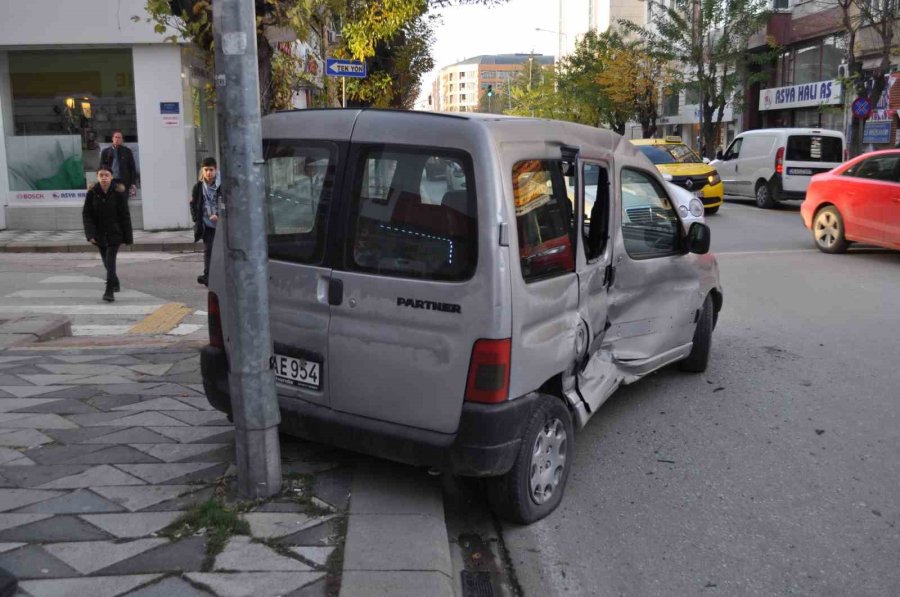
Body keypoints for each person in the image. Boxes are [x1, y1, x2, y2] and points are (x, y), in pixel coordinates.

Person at [82, 166, 133, 302]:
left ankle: (109, 290)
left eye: (106, 175)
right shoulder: (92, 193)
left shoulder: (118, 193)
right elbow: (87, 215)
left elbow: (125, 216)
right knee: (106, 262)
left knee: (110, 261)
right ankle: (115, 281)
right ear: (97, 177)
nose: (104, 178)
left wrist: (128, 237)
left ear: (111, 177)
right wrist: (90, 234)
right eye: (101, 175)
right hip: (99, 234)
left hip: (115, 233)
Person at [190, 157, 221, 286]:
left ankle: (220, 275)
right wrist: (196, 219)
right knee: (208, 250)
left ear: (216, 170)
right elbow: (193, 204)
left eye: (211, 170)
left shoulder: (221, 185)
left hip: (221, 225)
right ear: (202, 171)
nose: (209, 173)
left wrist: (219, 215)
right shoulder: (198, 187)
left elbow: (228, 203)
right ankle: (208, 276)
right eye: (206, 170)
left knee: (221, 251)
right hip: (206, 225)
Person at [100, 130, 138, 197]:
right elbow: (101, 168)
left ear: (122, 140)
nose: (117, 139)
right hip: (110, 181)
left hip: (124, 181)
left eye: (119, 137)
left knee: (123, 200)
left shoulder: (127, 151)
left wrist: (133, 183)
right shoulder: (106, 152)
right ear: (112, 138)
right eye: (116, 137)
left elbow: (132, 168)